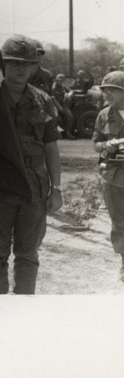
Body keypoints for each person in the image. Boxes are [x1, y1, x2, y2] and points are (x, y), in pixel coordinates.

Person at [0, 35, 62, 295]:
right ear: (3, 65)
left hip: (33, 187)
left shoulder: (43, 100)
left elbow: (50, 147)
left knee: (28, 254)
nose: (21, 69)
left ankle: (24, 313)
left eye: (27, 64)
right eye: (14, 63)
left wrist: (57, 188)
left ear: (34, 67)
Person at [92, 71, 124, 282]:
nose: (106, 95)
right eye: (104, 91)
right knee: (119, 222)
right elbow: (96, 143)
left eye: (111, 90)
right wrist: (107, 146)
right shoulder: (104, 115)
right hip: (114, 177)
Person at [51, 73, 75, 139]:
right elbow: (53, 99)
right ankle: (54, 134)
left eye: (62, 80)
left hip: (63, 105)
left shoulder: (62, 87)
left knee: (70, 117)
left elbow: (71, 91)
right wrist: (59, 107)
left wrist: (69, 94)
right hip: (55, 106)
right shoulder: (53, 88)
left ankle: (68, 133)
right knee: (56, 118)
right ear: (56, 79)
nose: (60, 81)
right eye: (59, 79)